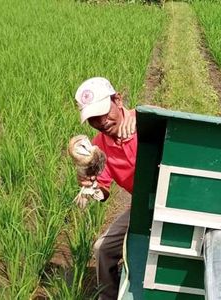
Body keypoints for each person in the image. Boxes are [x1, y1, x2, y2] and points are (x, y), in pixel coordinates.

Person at [74, 77, 137, 299]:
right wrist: (92, 189)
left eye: (104, 112)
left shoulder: (144, 121)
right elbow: (104, 188)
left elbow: (174, 122)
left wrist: (144, 117)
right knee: (102, 249)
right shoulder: (99, 146)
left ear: (117, 100)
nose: (102, 121)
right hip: (141, 207)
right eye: (93, 118)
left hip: (171, 200)